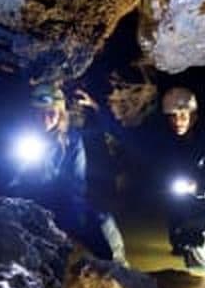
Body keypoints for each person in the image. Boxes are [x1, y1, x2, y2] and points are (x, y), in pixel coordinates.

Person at [11, 82, 128, 265]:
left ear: (60, 114)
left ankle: (120, 267)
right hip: (31, 203)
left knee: (103, 219)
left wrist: (69, 224)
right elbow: (10, 180)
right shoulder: (18, 137)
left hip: (62, 203)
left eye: (51, 113)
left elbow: (76, 184)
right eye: (39, 113)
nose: (45, 119)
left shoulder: (72, 139)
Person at [160, 87, 205, 269]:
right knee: (179, 245)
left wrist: (198, 187)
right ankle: (188, 240)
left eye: (183, 116)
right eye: (173, 116)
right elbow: (132, 138)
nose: (178, 121)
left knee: (194, 245)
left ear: (193, 117)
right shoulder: (169, 144)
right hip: (187, 205)